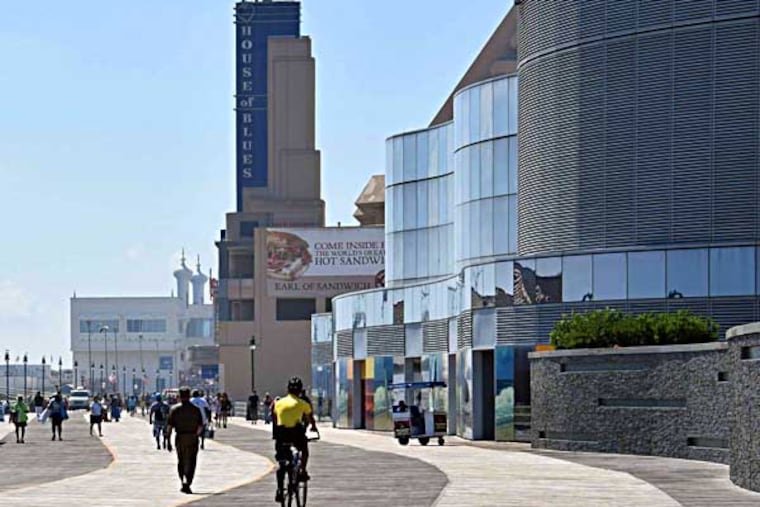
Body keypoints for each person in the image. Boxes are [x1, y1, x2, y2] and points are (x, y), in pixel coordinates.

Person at [272, 377, 318, 503]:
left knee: (282, 464)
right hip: (296, 435)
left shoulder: (278, 403)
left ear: (287, 389)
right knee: (305, 450)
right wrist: (314, 427)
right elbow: (310, 419)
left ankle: (280, 489)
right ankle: (302, 470)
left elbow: (276, 419)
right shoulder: (303, 404)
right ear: (300, 390)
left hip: (281, 436)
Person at [166, 387, 204, 495]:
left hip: (180, 437)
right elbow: (200, 426)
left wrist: (168, 441)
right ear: (189, 396)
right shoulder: (195, 409)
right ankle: (188, 482)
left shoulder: (175, 409)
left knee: (181, 460)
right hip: (192, 437)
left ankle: (183, 481)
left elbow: (169, 427)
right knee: (192, 460)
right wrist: (195, 436)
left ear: (179, 396)